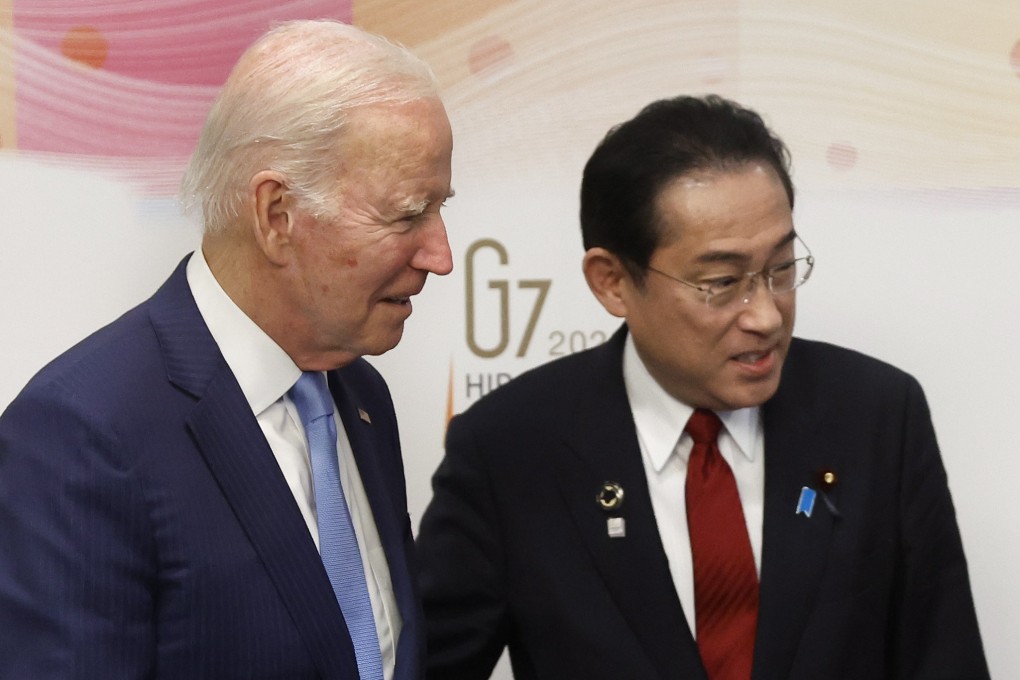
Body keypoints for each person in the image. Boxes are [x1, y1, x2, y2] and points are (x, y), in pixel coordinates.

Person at [416, 95, 989, 679]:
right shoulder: (511, 449)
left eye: (782, 268)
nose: (766, 315)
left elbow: (945, 659)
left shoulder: (877, 417)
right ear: (612, 282)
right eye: (721, 282)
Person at [0, 19, 454, 680]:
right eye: (408, 213)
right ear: (276, 216)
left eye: (441, 206)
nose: (440, 255)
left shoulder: (359, 396)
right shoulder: (81, 437)